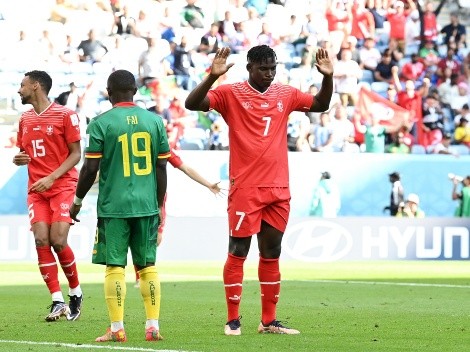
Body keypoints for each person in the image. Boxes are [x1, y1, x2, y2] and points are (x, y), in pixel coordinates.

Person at [184, 45, 333, 335]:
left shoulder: (286, 94)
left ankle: (268, 321)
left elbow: (320, 105)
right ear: (249, 67)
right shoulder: (230, 93)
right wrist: (211, 77)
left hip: (278, 187)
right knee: (238, 250)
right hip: (246, 187)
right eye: (263, 68)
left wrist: (328, 77)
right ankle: (232, 319)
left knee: (272, 251)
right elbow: (192, 103)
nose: (269, 74)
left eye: (272, 68)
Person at [69, 69, 170, 342]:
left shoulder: (101, 123)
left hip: (114, 207)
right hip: (147, 205)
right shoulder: (155, 122)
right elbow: (161, 166)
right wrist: (160, 204)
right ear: (135, 91)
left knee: (114, 267)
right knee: (147, 266)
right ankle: (152, 326)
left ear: (109, 92)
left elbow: (90, 168)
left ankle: (117, 328)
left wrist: (77, 202)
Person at [12, 70, 84, 321]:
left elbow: (76, 153)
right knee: (41, 240)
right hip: (37, 190)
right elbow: (24, 152)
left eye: (22, 85)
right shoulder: (24, 119)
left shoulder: (65, 115)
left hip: (62, 185)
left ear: (36, 86)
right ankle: (57, 300)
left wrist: (52, 177)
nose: (19, 90)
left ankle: (76, 292)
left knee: (58, 240)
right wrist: (18, 158)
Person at [133, 148, 224, 287]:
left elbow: (185, 168)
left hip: (155, 198)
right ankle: (142, 277)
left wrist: (208, 184)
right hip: (138, 196)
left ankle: (142, 275)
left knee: (154, 240)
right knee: (140, 238)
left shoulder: (162, 144)